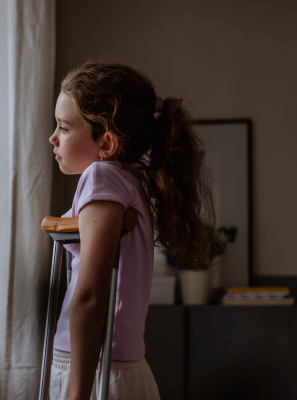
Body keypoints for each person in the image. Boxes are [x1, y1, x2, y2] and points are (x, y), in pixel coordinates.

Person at [48, 62, 216, 400]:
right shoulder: (130, 180)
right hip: (119, 368)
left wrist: (77, 392)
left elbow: (92, 294)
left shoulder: (101, 177)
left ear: (107, 143)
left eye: (64, 128)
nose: (53, 137)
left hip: (95, 369)